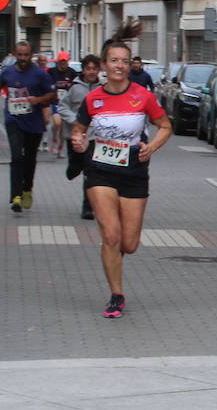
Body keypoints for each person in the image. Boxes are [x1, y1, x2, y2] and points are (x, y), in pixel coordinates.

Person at [70, 22, 172, 318]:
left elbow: (166, 126)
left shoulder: (143, 96)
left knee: (129, 243)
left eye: (125, 61)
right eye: (114, 61)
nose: (120, 66)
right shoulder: (93, 99)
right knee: (111, 236)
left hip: (134, 171)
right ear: (103, 65)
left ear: (130, 66)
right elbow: (79, 130)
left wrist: (151, 147)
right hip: (100, 170)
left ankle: (114, 255)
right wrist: (78, 142)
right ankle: (116, 294)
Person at [0, 40, 56, 213]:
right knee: (17, 157)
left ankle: (27, 189)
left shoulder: (40, 74)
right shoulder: (8, 72)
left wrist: (38, 100)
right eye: (20, 55)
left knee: (30, 159)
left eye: (26, 55)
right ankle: (16, 196)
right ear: (15, 54)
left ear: (31, 55)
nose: (23, 58)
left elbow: (52, 95)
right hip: (14, 120)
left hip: (33, 123)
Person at [62, 54, 102, 220]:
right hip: (75, 135)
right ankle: (72, 169)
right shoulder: (74, 88)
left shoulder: (103, 88)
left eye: (94, 68)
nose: (91, 72)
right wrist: (75, 120)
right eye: (88, 69)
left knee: (90, 171)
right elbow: (62, 107)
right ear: (83, 70)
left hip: (94, 137)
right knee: (76, 166)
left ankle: (88, 207)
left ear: (99, 70)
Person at [48, 51, 79, 157]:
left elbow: (76, 86)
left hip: (67, 104)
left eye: (65, 61)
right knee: (57, 123)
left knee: (63, 128)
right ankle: (54, 137)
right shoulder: (52, 72)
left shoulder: (72, 72)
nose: (63, 63)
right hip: (55, 102)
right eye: (61, 61)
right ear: (58, 61)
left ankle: (60, 149)